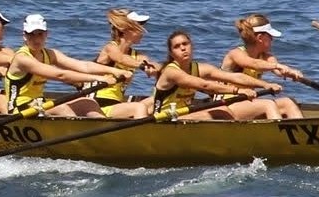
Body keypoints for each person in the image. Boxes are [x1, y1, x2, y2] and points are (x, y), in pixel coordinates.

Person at [0, 14, 129, 118]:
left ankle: (105, 133)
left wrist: (114, 70)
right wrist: (100, 79)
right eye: (31, 35)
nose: (36, 39)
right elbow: (61, 75)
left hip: (39, 103)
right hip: (19, 110)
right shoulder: (22, 58)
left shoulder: (50, 54)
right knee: (64, 109)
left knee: (88, 103)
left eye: (40, 34)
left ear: (46, 34)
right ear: (24, 36)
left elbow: (84, 66)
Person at [152, 30, 283, 120]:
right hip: (165, 117)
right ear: (171, 53)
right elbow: (205, 85)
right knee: (222, 111)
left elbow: (234, 77)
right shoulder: (171, 71)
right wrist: (238, 91)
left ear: (192, 46)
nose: (183, 48)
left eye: (185, 44)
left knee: (223, 111)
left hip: (184, 113)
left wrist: (265, 84)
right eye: (177, 46)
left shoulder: (200, 68)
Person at [220, 14, 304, 119]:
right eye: (270, 36)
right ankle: (278, 133)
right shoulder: (236, 54)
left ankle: (299, 134)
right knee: (267, 104)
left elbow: (279, 72)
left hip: (248, 103)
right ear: (260, 38)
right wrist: (277, 66)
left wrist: (292, 72)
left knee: (288, 102)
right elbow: (253, 63)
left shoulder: (265, 56)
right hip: (227, 105)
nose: (272, 39)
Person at [93, 8, 160, 119]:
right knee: (138, 108)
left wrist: (159, 70)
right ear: (124, 29)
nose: (142, 31)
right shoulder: (110, 48)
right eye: (138, 27)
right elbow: (121, 58)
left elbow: (152, 64)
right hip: (97, 106)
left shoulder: (137, 56)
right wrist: (142, 66)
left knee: (156, 101)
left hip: (116, 104)